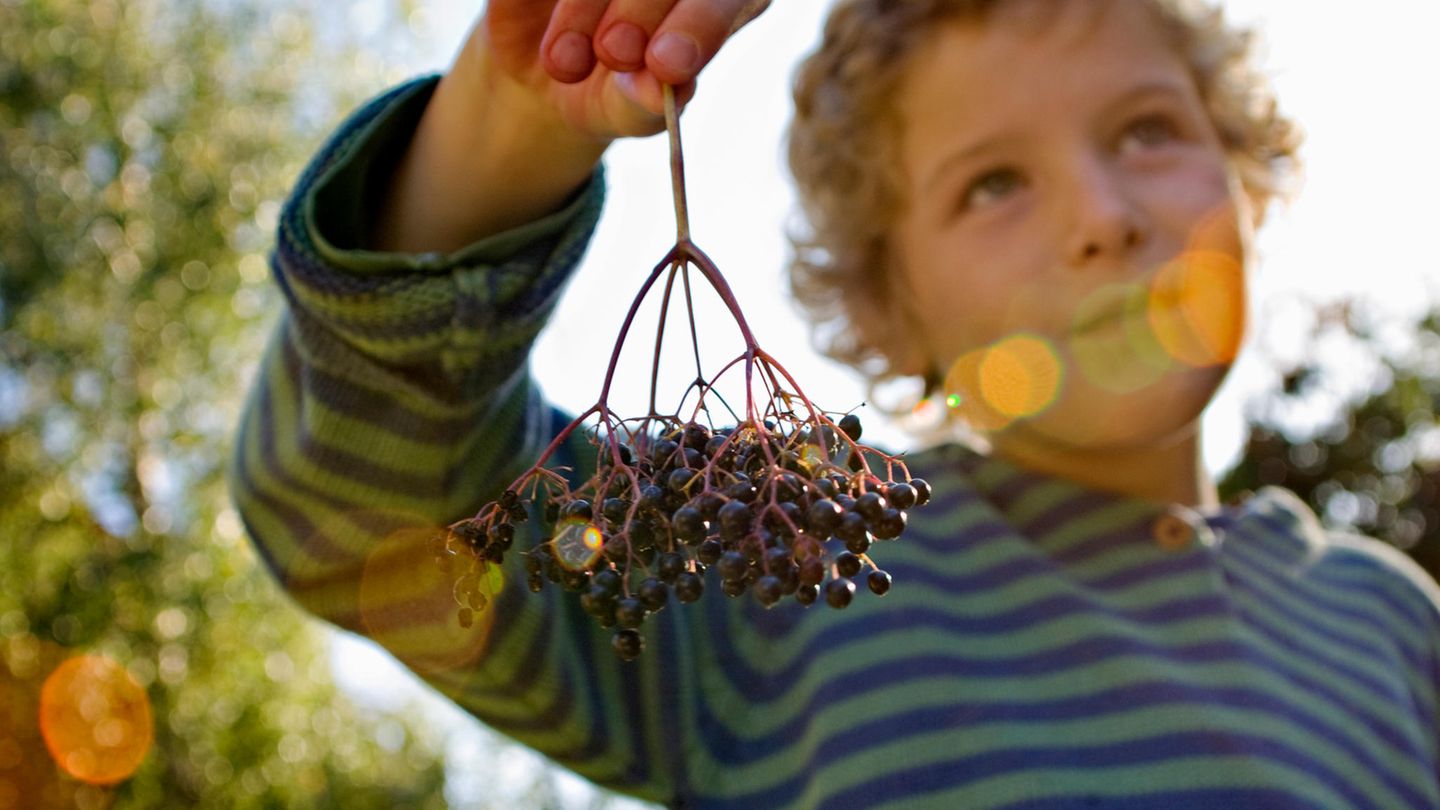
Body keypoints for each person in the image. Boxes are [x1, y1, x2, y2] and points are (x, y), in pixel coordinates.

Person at [230, 0, 1440, 806]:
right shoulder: (782, 574)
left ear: (1244, 175)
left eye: (1149, 131)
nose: (1101, 214)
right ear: (886, 302)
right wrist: (502, 132)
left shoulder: (1394, 629)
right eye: (994, 184)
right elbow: (357, 522)